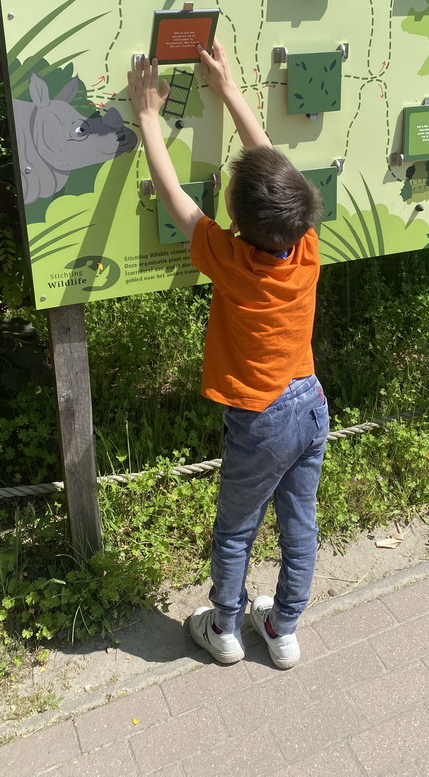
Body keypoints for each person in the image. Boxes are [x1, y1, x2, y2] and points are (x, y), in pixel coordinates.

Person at [127, 40, 329, 670]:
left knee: (237, 526)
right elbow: (274, 164)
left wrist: (148, 117)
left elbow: (176, 199)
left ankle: (225, 629)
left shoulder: (230, 261)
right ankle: (285, 628)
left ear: (236, 226)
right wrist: (232, 92)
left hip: (259, 414)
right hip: (310, 404)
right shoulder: (306, 250)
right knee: (300, 523)